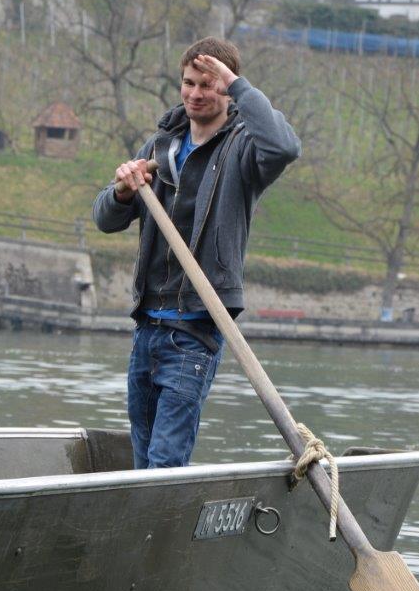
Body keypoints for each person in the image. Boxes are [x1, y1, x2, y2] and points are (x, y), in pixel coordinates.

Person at [92, 37, 301, 469]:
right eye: (189, 83)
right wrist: (122, 192)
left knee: (165, 462)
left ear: (228, 90)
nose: (195, 93)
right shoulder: (159, 147)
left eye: (209, 84)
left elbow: (284, 147)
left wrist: (239, 85)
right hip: (147, 327)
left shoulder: (243, 150)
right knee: (143, 462)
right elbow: (104, 219)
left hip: (195, 332)